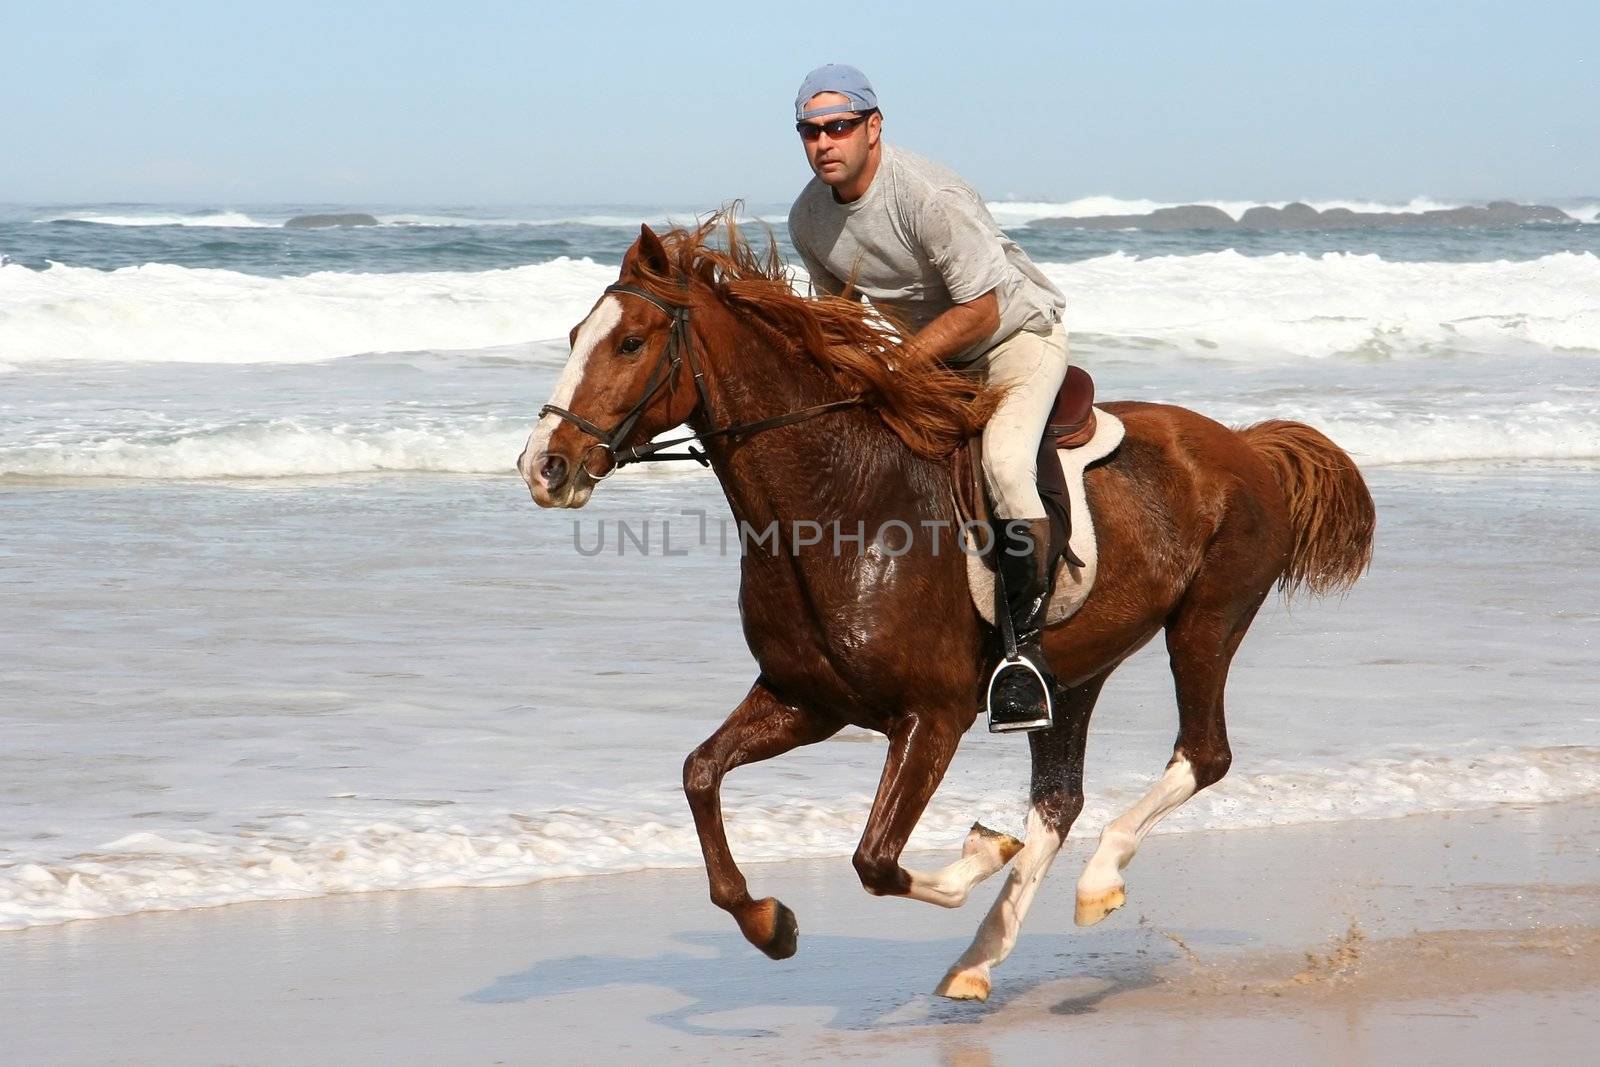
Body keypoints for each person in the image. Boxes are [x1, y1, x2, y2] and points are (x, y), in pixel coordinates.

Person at [787, 63, 1071, 727]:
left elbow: (980, 308)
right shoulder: (808, 218)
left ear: (873, 127)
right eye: (810, 131)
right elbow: (840, 320)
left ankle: (1025, 660)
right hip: (926, 362)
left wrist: (897, 367)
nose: (824, 142)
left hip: (1013, 341)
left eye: (839, 126)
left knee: (1003, 466)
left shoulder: (926, 195)